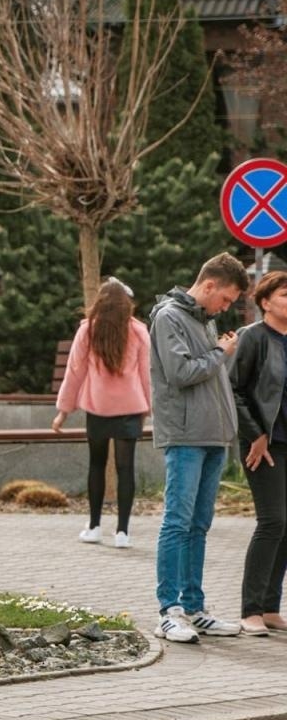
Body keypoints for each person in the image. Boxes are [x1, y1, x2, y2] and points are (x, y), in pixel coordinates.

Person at [148, 252, 250, 643]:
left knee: (199, 525)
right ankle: (168, 611)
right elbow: (181, 373)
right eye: (225, 299)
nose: (225, 307)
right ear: (209, 285)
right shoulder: (169, 316)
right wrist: (220, 354)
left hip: (212, 435)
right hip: (186, 436)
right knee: (177, 522)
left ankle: (194, 607)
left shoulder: (202, 320)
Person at [52, 278, 150, 549]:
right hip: (131, 409)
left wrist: (63, 412)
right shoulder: (139, 331)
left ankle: (94, 527)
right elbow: (147, 375)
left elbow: (75, 372)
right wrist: (149, 408)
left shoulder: (87, 331)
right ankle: (122, 532)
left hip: (97, 408)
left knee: (96, 464)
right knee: (126, 468)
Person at [230, 270, 287, 636]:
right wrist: (256, 435)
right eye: (285, 295)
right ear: (265, 302)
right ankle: (249, 609)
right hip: (264, 445)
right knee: (273, 521)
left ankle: (269, 607)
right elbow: (234, 391)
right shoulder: (253, 338)